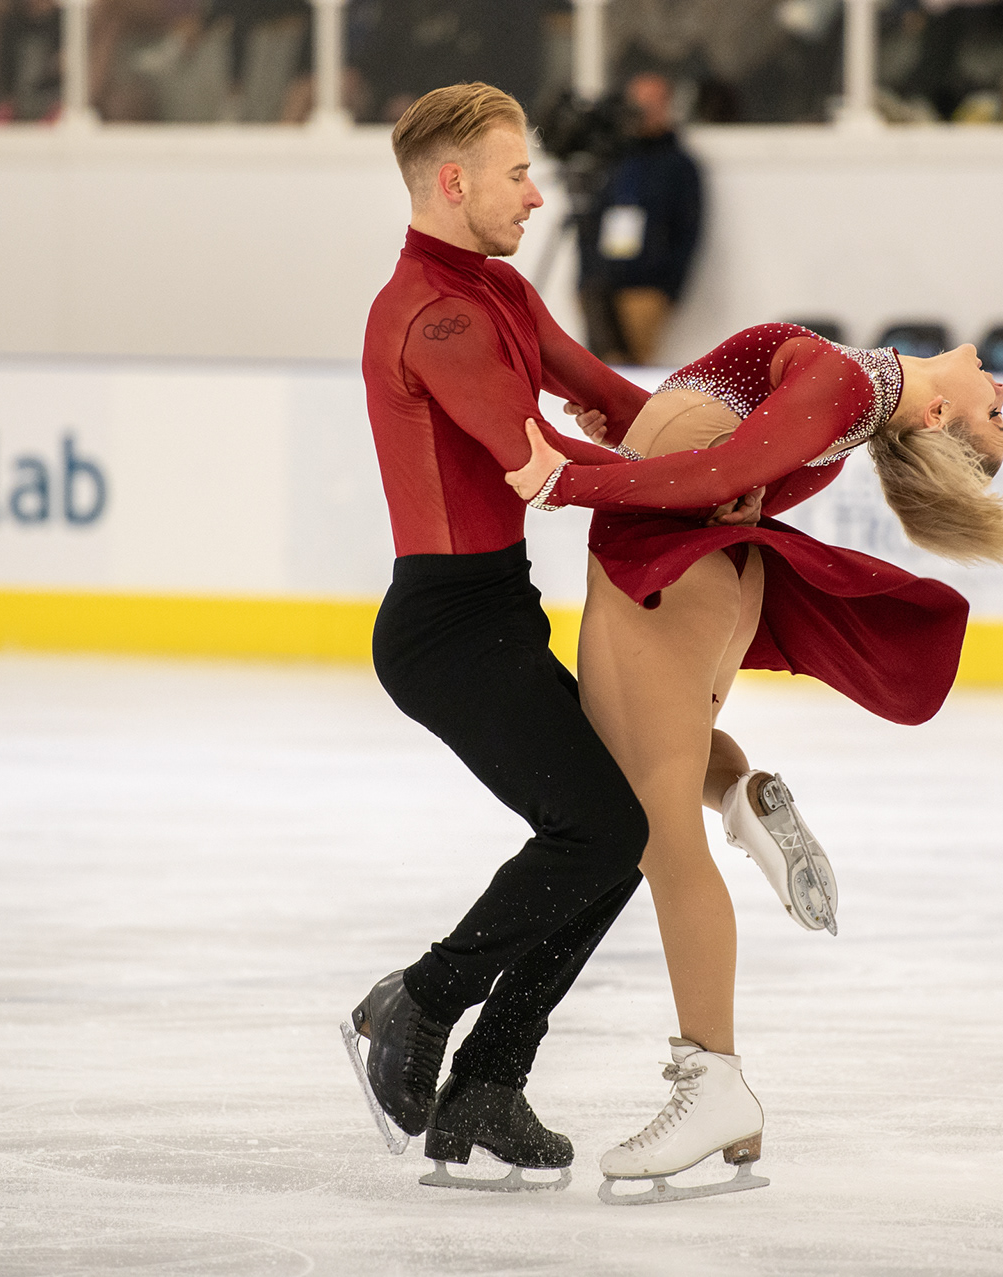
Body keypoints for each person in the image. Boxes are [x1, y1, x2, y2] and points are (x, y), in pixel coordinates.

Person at [505, 327, 1003, 1201]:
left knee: (660, 839)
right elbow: (712, 454)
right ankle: (739, 793)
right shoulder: (851, 403)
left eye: (997, 417)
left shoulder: (850, 387)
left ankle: (713, 1079)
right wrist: (621, 426)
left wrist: (567, 477)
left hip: (667, 575)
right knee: (639, 760)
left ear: (936, 415)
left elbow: (713, 474)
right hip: (695, 575)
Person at [349, 80, 719, 1194]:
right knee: (599, 829)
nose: (537, 195)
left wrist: (728, 441)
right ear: (451, 182)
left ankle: (488, 1083)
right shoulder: (439, 316)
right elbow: (541, 464)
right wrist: (703, 482)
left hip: (501, 610)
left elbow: (610, 397)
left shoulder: (499, 289)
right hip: (445, 630)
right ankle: (418, 1002)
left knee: (616, 831)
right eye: (516, 174)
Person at [577, 72, 704, 366]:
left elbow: (688, 231)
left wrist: (669, 289)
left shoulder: (679, 166)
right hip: (600, 283)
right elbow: (588, 220)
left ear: (667, 105)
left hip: (647, 288)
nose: (643, 110)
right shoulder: (611, 158)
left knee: (631, 370)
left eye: (651, 102)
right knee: (597, 369)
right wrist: (585, 279)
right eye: (637, 102)